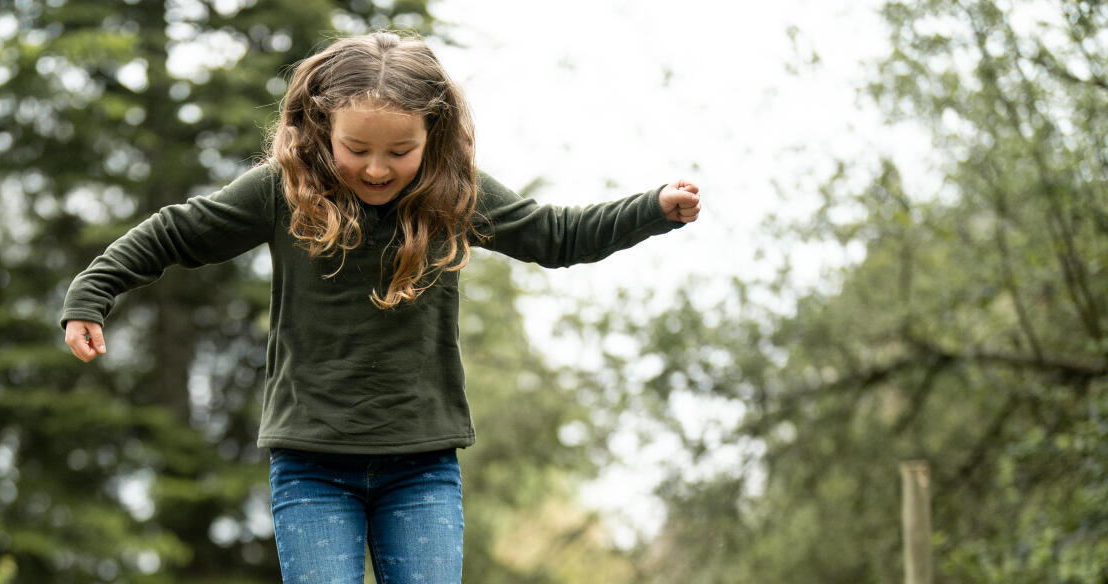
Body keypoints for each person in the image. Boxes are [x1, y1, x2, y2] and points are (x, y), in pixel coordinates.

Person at [59, 30, 702, 584]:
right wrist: (92, 292)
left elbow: (556, 236)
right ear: (321, 130)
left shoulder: (453, 194)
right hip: (311, 468)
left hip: (420, 468)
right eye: (356, 149)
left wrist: (650, 210)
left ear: (435, 134)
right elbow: (176, 231)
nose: (374, 169)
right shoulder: (284, 191)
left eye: (399, 152)